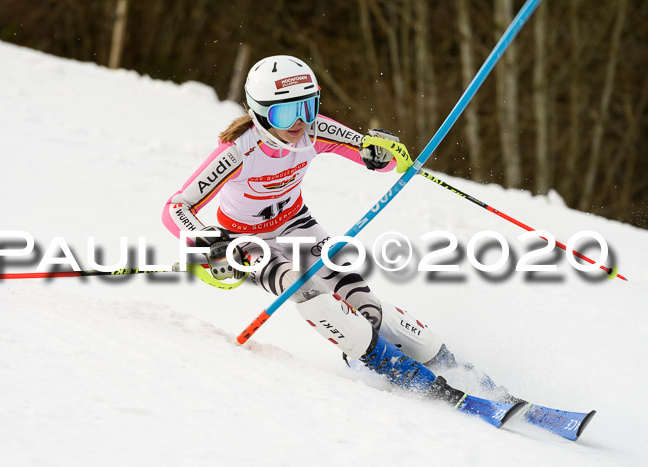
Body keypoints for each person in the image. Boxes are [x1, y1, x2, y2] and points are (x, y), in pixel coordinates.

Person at [162, 55, 464, 402]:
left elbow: (375, 156)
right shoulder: (236, 152)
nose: (300, 122)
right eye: (286, 113)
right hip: (246, 242)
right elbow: (176, 207)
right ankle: (388, 365)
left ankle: (441, 359)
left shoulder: (314, 129)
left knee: (362, 301)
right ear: (260, 113)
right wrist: (207, 239)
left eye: (308, 106)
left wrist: (384, 153)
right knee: (305, 287)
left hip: (296, 225)